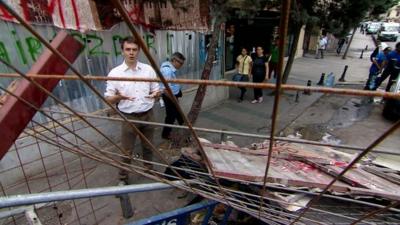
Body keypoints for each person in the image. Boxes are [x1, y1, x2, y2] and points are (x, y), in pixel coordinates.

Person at [104, 36, 160, 182]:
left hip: (148, 114)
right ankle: (123, 178)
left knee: (148, 146)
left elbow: (156, 90)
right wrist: (119, 97)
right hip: (129, 118)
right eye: (128, 49)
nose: (131, 53)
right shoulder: (115, 73)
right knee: (127, 150)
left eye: (134, 49)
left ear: (139, 51)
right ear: (122, 51)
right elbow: (108, 98)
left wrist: (156, 94)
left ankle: (149, 170)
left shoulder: (148, 70)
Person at [160, 52, 185, 140]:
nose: (181, 65)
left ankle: (183, 125)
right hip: (169, 96)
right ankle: (166, 134)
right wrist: (174, 99)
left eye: (182, 63)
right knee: (171, 116)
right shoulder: (167, 70)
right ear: (174, 60)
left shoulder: (169, 67)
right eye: (180, 63)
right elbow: (165, 89)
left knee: (177, 112)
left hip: (173, 94)